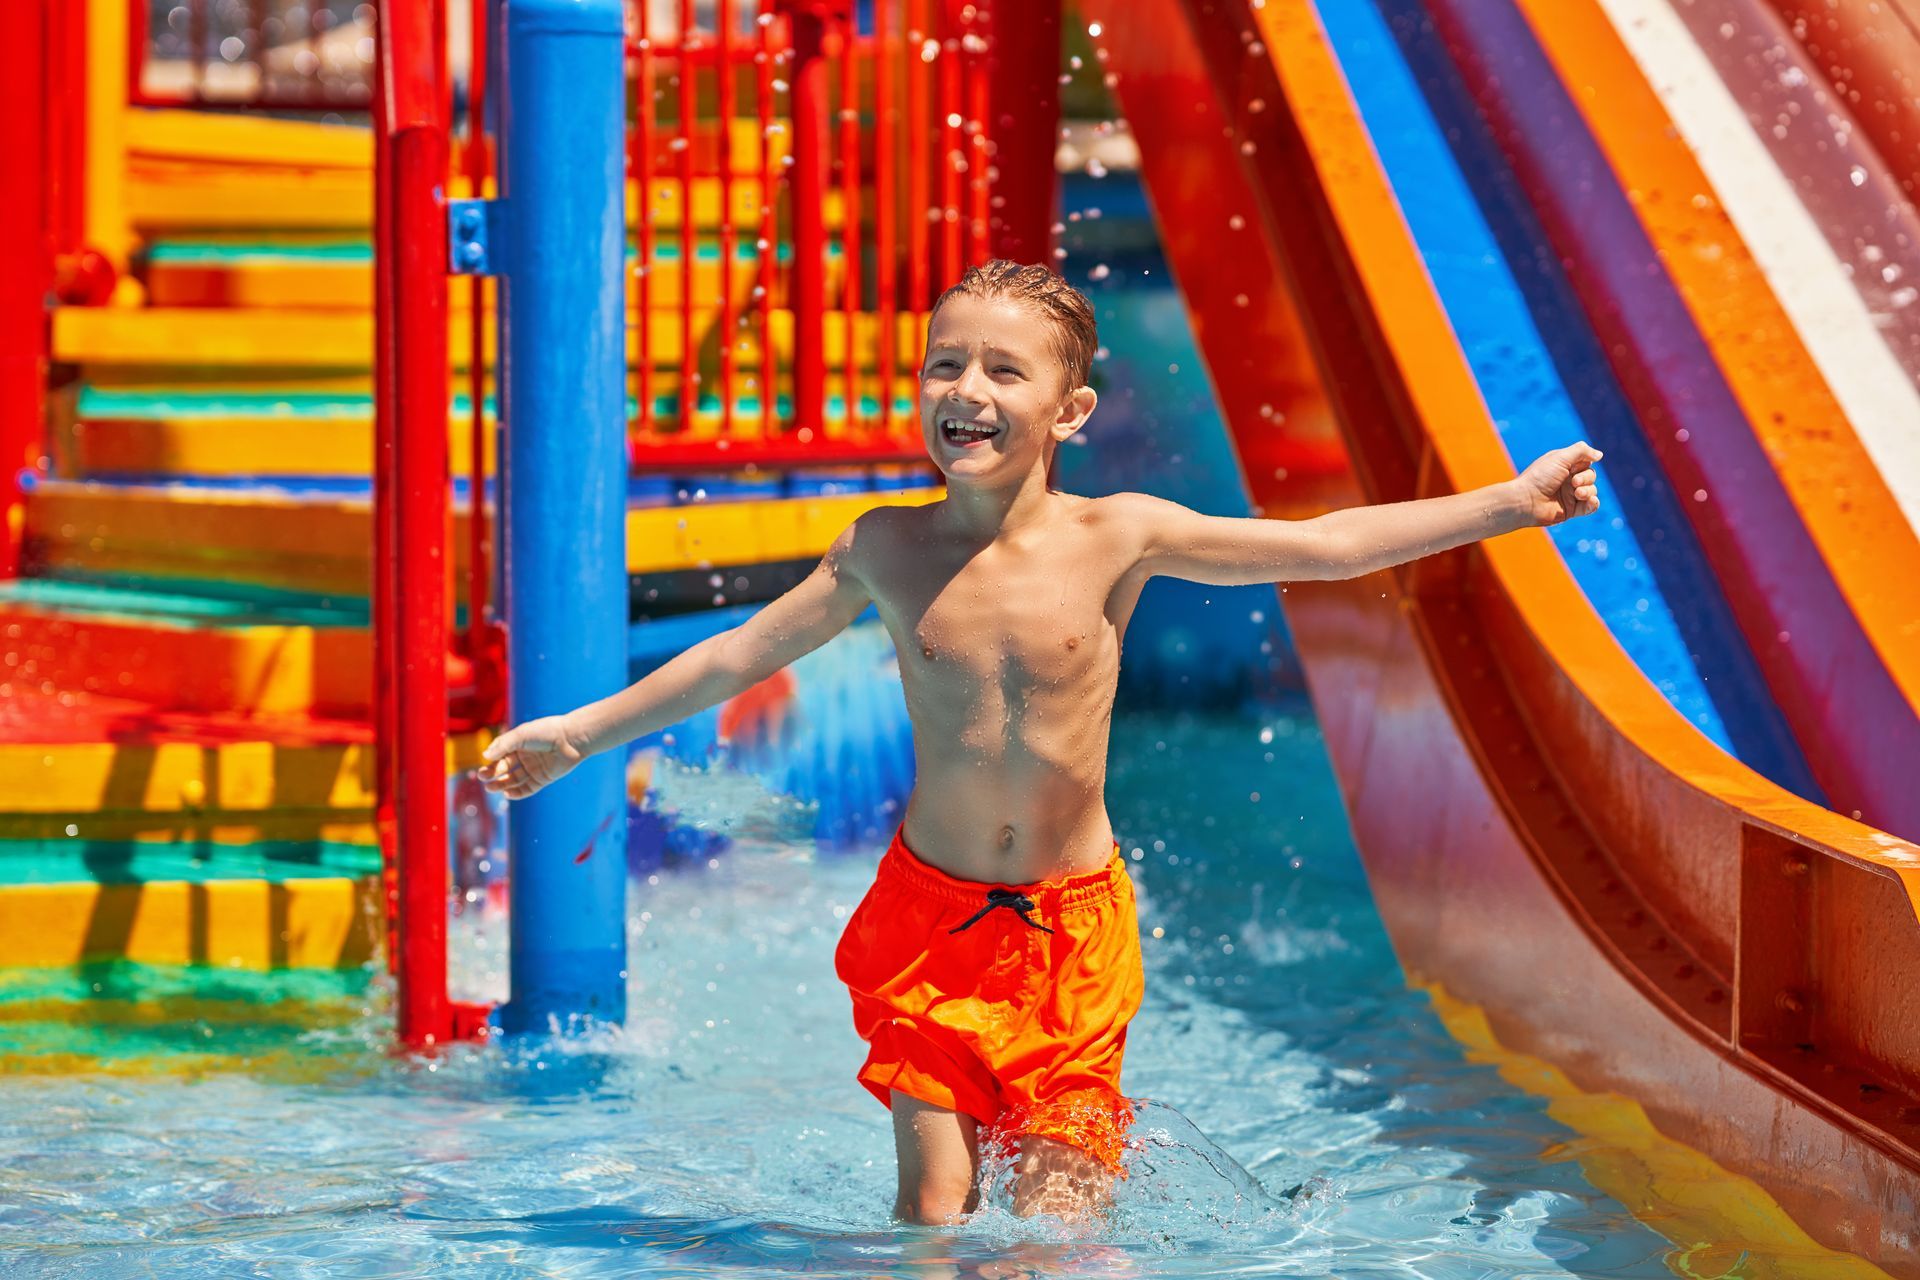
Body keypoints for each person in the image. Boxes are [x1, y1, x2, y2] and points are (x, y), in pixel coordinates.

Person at [477, 259, 1603, 1227]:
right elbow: (736, 657)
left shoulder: (1120, 533)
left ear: (1070, 411)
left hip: (1068, 931)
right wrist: (580, 731)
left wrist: (1507, 503)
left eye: (1004, 371)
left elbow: (1323, 544)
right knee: (930, 1209)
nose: (966, 391)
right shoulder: (884, 547)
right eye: (945, 365)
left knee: (1057, 1224)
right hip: (930, 924)